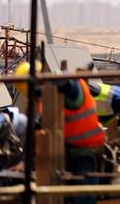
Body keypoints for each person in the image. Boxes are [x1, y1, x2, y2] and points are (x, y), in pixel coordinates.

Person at [15, 60, 105, 204]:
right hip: (63, 152)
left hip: (86, 150)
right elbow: (37, 132)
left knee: (83, 193)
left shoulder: (71, 86)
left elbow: (68, 80)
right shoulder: (47, 100)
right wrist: (25, 162)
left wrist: (48, 83)